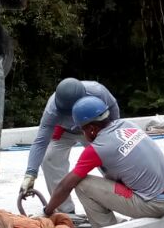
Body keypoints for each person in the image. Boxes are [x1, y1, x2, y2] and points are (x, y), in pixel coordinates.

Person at [41, 96, 164, 227]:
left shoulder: (97, 148)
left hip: (155, 205)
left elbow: (66, 185)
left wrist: (47, 211)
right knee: (110, 176)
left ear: (91, 129)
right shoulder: (127, 124)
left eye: (82, 130)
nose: (82, 134)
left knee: (82, 184)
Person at [19, 78, 121, 215]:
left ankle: (120, 197)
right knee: (49, 159)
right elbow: (40, 142)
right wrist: (30, 174)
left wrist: (112, 137)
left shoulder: (97, 92)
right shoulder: (53, 109)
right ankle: (66, 210)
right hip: (65, 131)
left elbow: (113, 110)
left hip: (93, 127)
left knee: (108, 159)